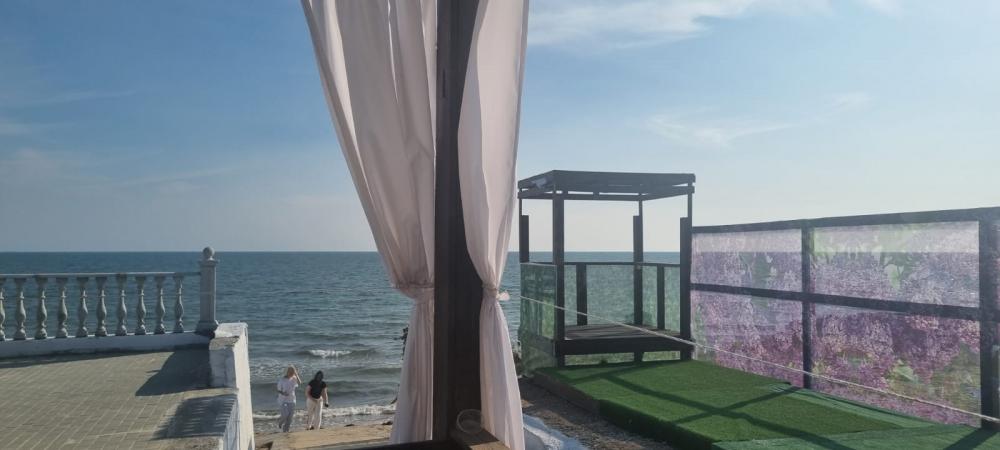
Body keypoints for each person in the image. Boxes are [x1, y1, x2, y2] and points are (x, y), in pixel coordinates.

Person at [276, 366, 300, 432]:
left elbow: (299, 383)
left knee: (290, 418)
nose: (292, 373)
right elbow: (278, 390)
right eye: (290, 372)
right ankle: (280, 422)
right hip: (283, 400)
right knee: (285, 414)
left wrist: (296, 374)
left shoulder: (294, 378)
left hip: (292, 400)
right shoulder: (282, 380)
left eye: (293, 372)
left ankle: (286, 431)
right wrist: (283, 393)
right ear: (287, 372)